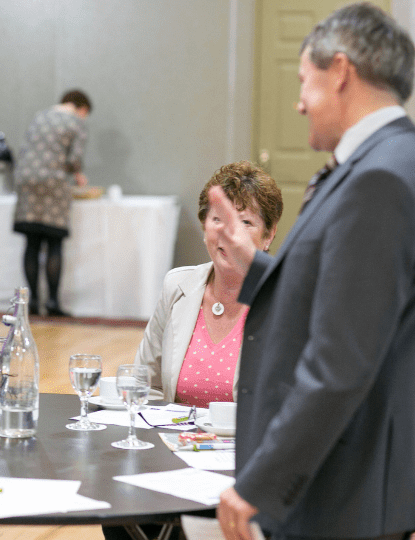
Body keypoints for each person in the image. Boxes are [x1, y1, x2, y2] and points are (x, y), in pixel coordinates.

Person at [213, 4, 415, 539]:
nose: (299, 104)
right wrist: (254, 265)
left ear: (341, 72)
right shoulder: (384, 163)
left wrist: (262, 482)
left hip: (344, 491)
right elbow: (345, 297)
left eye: (304, 81)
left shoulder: (380, 179)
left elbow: (340, 363)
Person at [136, 161, 282, 405]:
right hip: (175, 440)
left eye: (245, 223)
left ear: (269, 235)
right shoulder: (178, 285)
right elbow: (144, 385)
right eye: (218, 220)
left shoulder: (283, 296)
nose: (229, 234)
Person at [12, 89, 91, 316]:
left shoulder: (40, 116)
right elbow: (74, 158)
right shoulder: (76, 122)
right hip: (54, 182)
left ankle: (34, 302)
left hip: (27, 181)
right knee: (54, 240)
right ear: (82, 108)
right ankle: (54, 302)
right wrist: (78, 176)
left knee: (32, 241)